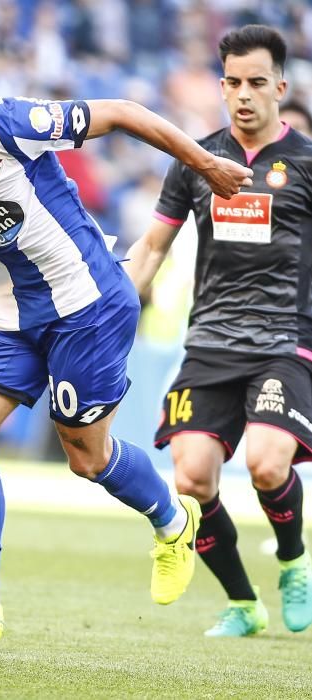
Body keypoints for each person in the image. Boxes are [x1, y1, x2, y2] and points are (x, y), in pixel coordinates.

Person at [0, 52, 253, 645]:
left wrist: (205, 165)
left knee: (87, 459)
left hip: (87, 306)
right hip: (10, 314)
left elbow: (122, 112)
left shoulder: (6, 124)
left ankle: (172, 518)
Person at [126, 24, 312, 638]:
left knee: (266, 464)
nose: (243, 94)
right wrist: (115, 308)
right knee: (192, 477)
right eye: (232, 82)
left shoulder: (307, 163)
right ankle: (242, 603)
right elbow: (153, 247)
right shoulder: (197, 160)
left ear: (280, 86)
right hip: (209, 341)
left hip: (286, 342)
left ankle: (293, 564)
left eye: (257, 82)